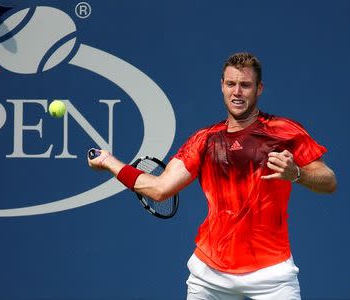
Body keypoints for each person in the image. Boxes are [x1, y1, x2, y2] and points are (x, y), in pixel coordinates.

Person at [87, 52, 337, 299]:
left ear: (259, 89)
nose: (237, 92)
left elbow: (329, 181)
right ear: (222, 86)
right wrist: (109, 161)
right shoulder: (204, 140)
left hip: (272, 275)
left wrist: (297, 174)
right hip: (210, 276)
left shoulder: (284, 131)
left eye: (245, 85)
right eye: (231, 84)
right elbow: (159, 189)